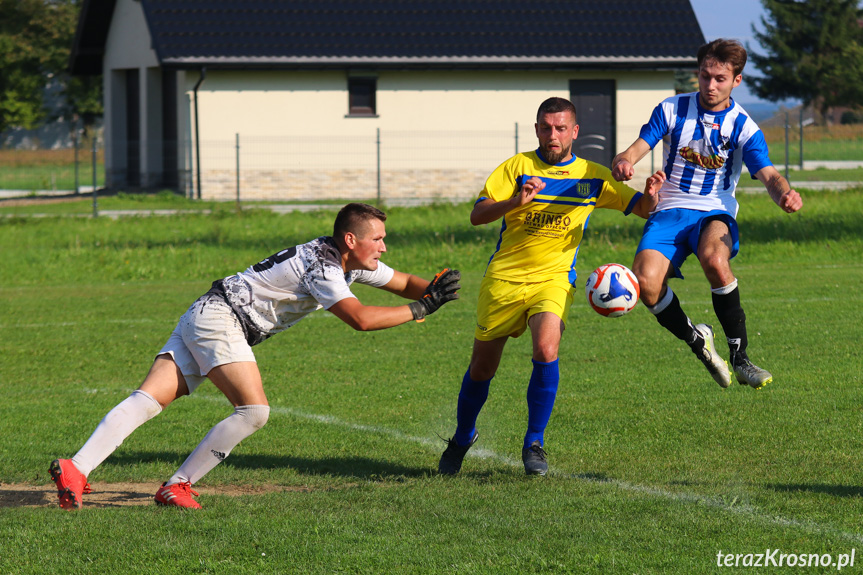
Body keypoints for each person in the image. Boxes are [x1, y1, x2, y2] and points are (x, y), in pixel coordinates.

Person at [50, 203, 461, 509]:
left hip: (207, 311)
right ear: (351, 240)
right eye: (378, 239)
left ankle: (78, 467)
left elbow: (404, 282)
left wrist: (433, 290)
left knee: (148, 400)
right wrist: (422, 308)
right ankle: (178, 485)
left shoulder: (346, 261)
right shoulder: (324, 266)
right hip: (222, 320)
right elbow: (360, 319)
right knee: (253, 411)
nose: (384, 247)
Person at [437, 97, 666, 477]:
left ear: (575, 131)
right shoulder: (517, 167)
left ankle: (534, 442)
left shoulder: (593, 175)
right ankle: (463, 437)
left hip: (554, 279)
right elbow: (477, 215)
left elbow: (641, 207)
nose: (553, 135)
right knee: (482, 369)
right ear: (537, 129)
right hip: (504, 279)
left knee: (546, 348)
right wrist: (515, 200)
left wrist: (652, 193)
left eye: (561, 128)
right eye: (546, 127)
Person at [611, 38, 803, 390]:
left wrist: (785, 194)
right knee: (647, 286)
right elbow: (635, 149)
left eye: (719, 78)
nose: (710, 85)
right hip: (669, 211)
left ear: (737, 81)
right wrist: (624, 163)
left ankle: (741, 358)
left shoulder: (743, 126)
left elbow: (770, 175)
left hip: (713, 212)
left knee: (715, 260)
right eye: (704, 76)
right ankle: (697, 340)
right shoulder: (671, 109)